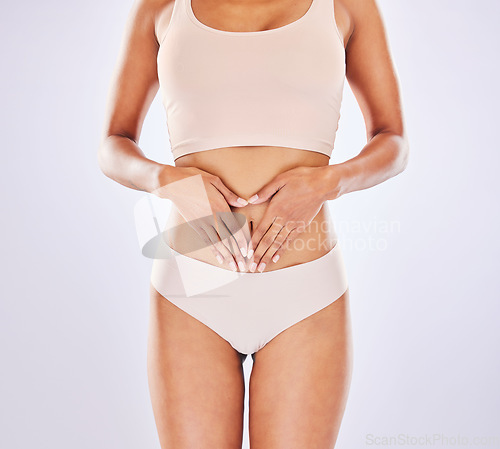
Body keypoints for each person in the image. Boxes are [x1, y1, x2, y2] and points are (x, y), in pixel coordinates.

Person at [98, 0, 409, 446]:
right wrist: (166, 180)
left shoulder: (346, 6)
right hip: (191, 291)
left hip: (306, 293)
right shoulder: (162, 8)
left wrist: (329, 182)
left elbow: (392, 140)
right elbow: (113, 143)